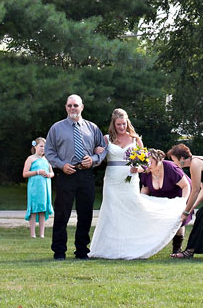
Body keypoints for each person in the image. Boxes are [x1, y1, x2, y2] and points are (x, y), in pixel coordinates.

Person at [88, 109, 187, 259]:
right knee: (111, 211)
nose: (122, 127)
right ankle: (108, 248)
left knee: (131, 209)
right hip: (112, 178)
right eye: (118, 124)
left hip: (131, 178)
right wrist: (97, 151)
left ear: (127, 122)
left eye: (124, 124)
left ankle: (131, 246)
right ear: (113, 124)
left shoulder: (135, 139)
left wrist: (138, 169)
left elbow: (146, 164)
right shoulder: (107, 138)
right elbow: (100, 157)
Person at [44, 94, 108, 260]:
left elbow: (103, 149)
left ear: (82, 107)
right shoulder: (56, 128)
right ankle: (59, 251)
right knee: (62, 214)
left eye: (76, 105)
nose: (73, 108)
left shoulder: (92, 128)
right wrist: (61, 165)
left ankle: (82, 250)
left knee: (85, 213)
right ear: (66, 107)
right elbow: (49, 151)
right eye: (70, 105)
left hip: (86, 175)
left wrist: (93, 159)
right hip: (66, 174)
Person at [140, 148, 192, 255]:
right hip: (162, 198)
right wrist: (141, 202)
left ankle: (177, 249)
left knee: (178, 219)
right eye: (145, 162)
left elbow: (186, 185)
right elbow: (145, 189)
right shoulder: (146, 172)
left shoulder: (170, 168)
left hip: (181, 193)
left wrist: (182, 203)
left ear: (158, 160)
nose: (147, 165)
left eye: (150, 162)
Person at [23, 137, 54, 238]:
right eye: (41, 146)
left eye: (45, 147)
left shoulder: (47, 159)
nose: (43, 148)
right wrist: (37, 172)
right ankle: (32, 233)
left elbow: (52, 172)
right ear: (35, 147)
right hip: (34, 188)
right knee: (34, 209)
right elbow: (25, 173)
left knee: (42, 209)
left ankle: (41, 233)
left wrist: (49, 175)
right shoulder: (31, 159)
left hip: (45, 188)